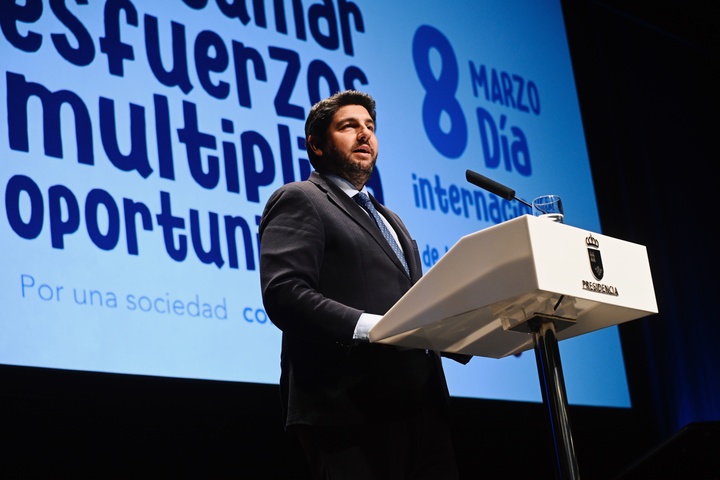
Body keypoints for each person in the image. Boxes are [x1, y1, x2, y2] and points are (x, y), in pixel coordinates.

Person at [259, 90, 470, 479]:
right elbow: (284, 292)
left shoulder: (392, 221)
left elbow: (417, 306)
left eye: (370, 127)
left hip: (424, 414)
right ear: (316, 146)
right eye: (348, 126)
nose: (364, 135)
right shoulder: (301, 199)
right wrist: (376, 329)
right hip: (348, 412)